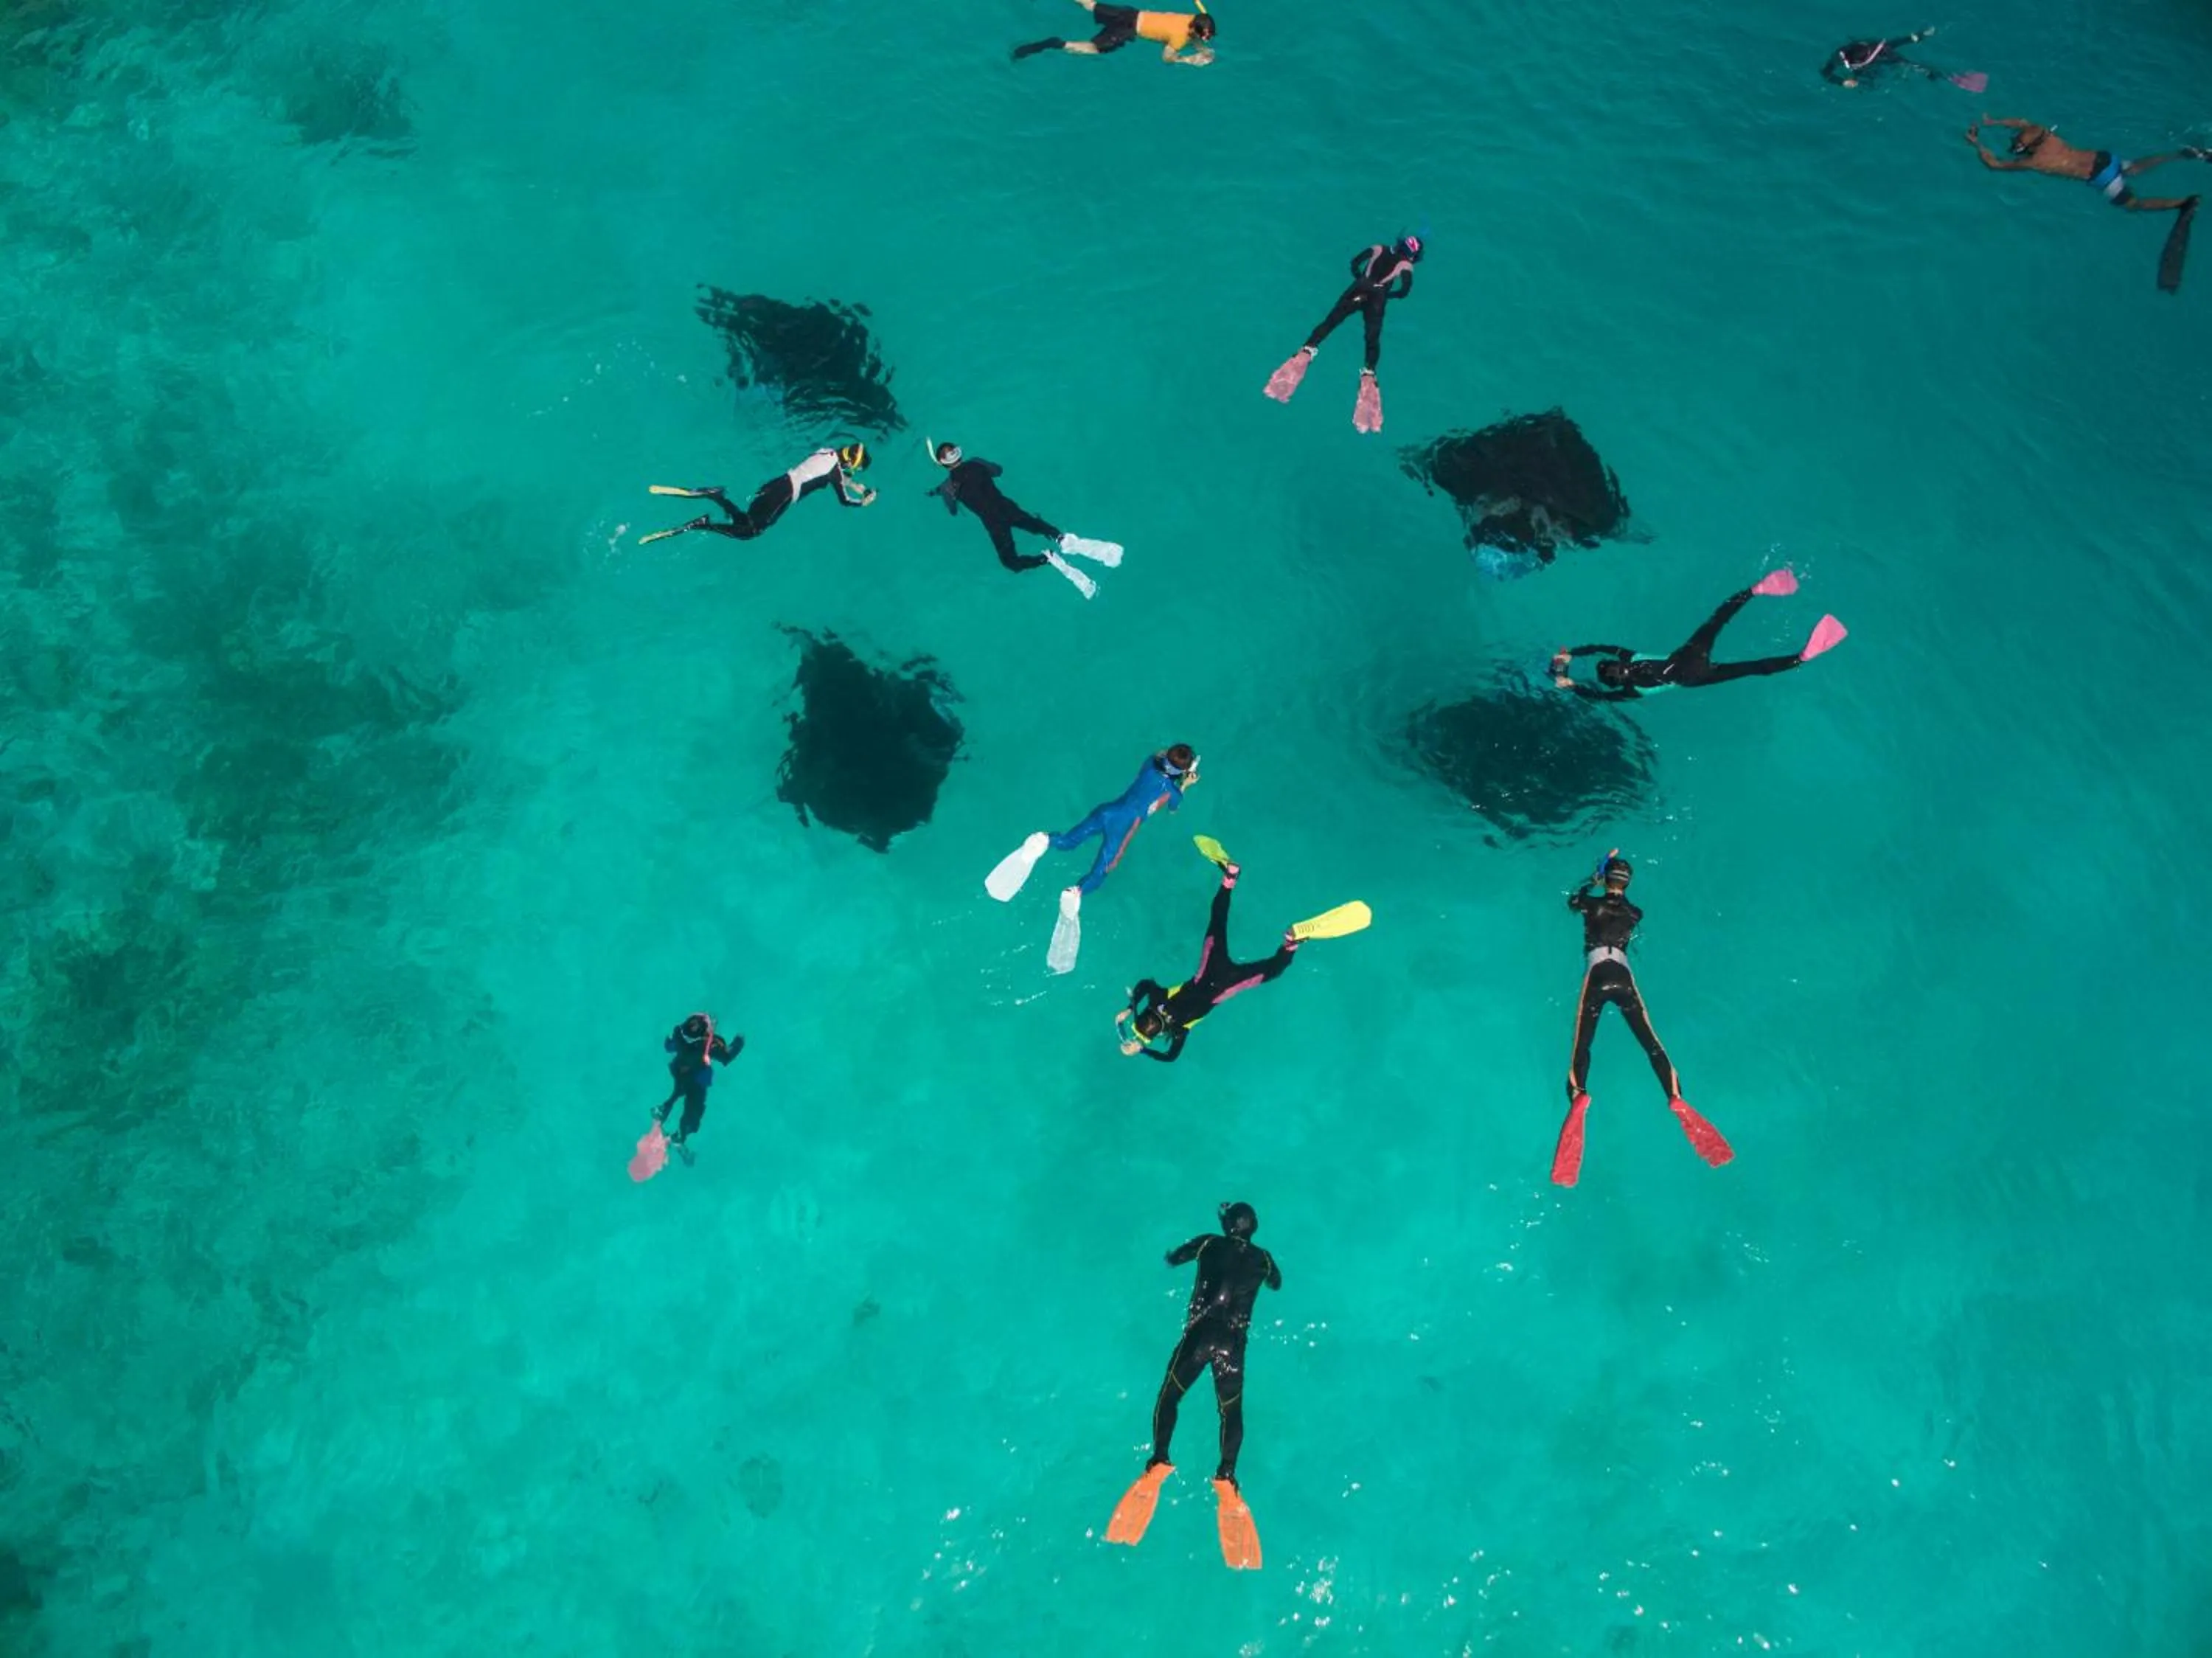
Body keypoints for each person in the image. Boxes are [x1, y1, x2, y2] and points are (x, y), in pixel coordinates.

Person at [1102, 1201, 1279, 1569]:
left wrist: (1165, 1256)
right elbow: (1276, 1283)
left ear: (1227, 1225)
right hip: (1233, 1342)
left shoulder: (1208, 1244)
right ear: (1253, 1229)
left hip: (1201, 1335)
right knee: (1231, 1412)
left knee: (1170, 1396)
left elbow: (1173, 1258)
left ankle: (1159, 1461)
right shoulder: (1264, 1261)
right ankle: (1227, 1476)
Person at [1548, 855, 1731, 1187]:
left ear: (1606, 880)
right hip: (1623, 975)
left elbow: (1572, 902)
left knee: (1583, 1044)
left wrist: (1593, 877)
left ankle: (1579, 1096)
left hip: (1597, 974)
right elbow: (1626, 918)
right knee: (1652, 1045)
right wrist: (1610, 878)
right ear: (1628, 884)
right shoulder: (1635, 914)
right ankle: (1676, 1098)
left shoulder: (1591, 905)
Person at [1118, 841, 1368, 1061]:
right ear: (1151, 1012)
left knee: (1275, 969)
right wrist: (1130, 1007)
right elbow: (1145, 984)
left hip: (1229, 983)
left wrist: (1142, 1051)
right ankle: (1230, 877)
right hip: (1209, 966)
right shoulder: (1158, 999)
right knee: (1217, 918)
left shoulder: (1180, 1030)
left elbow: (1170, 1057)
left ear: (1162, 1031)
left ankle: (1291, 941)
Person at [1964, 119, 2202, 292]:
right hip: (2105, 158)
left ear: (2027, 146)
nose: (2016, 142)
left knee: (2132, 204)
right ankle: (2182, 155)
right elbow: (2020, 122)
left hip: (2101, 178)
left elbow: (1995, 165)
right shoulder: (2044, 133)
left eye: (2018, 142)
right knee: (2133, 168)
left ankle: (2183, 202)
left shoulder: (2035, 162)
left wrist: (1976, 143)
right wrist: (1993, 121)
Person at [1549, 569, 1846, 701]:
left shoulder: (1632, 692)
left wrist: (1571, 685)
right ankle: (1756, 590)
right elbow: (1605, 647)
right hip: (1690, 654)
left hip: (1694, 677)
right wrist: (1573, 652)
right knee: (1718, 619)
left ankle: (1802, 657)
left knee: (1752, 669)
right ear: (1620, 667)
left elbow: (1600, 697)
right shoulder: (1629, 656)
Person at [1262, 236, 1423, 434]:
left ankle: (1308, 349)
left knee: (1330, 322)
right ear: (1413, 256)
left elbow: (1354, 263)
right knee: (1372, 340)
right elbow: (1404, 291)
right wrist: (1384, 294)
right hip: (1377, 299)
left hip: (1358, 288)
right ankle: (1369, 373)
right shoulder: (1406, 265)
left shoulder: (1378, 248)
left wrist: (1360, 281)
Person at [926, 440, 1123, 595]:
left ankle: (1046, 559)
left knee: (1011, 563)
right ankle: (1060, 538)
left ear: (943, 465)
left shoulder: (948, 488)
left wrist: (941, 491)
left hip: (994, 525)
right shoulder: (977, 463)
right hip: (1007, 508)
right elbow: (998, 470)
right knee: (1034, 524)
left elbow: (952, 511)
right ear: (959, 453)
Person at [639, 444, 873, 545]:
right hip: (785, 496)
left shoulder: (828, 451)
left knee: (745, 521)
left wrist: (854, 484)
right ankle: (702, 524)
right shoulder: (836, 473)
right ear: (852, 463)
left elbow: (832, 474)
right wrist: (863, 502)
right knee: (752, 532)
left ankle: (716, 496)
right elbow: (844, 501)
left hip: (775, 485)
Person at [1013, 0, 1216, 65]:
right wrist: (1189, 60)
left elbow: (1196, 32)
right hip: (1127, 30)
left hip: (1130, 13)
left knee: (1091, 5)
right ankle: (1057, 44)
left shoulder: (1191, 18)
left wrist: (1200, 44)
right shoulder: (1180, 37)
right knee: (1095, 49)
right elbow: (1166, 57)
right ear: (1193, 30)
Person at [658, 1013, 743, 1165]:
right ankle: (682, 1134)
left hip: (680, 1071)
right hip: (697, 1079)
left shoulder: (680, 1035)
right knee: (694, 1109)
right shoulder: (709, 1045)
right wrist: (739, 1042)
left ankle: (664, 1110)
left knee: (678, 1091)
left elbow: (668, 1046)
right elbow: (726, 1057)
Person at [1821, 28, 1982, 90]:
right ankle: (1947, 77)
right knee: (1870, 83)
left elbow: (1890, 45)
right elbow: (1825, 73)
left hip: (1871, 60)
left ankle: (1943, 76)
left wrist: (1915, 38)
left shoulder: (1868, 47)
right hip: (1865, 66)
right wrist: (1842, 82)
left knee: (1906, 64)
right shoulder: (1839, 59)